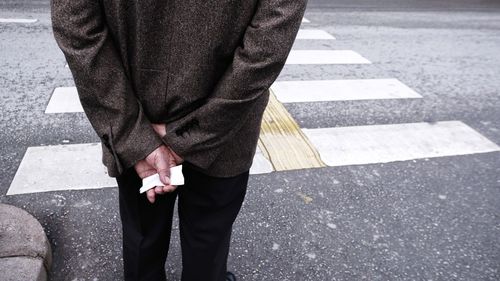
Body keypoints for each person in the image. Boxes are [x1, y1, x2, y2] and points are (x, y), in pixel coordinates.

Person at [50, 0, 307, 280]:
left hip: (139, 118)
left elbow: (75, 25)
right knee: (208, 248)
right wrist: (193, 136)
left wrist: (134, 136)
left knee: (142, 244)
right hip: (226, 130)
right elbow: (268, 44)